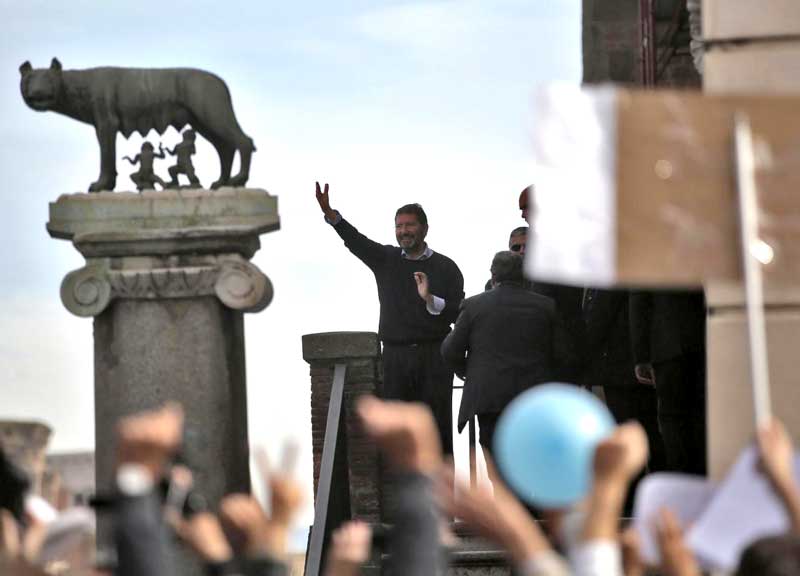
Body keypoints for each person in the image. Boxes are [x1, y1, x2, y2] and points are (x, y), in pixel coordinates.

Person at [315, 182, 464, 456]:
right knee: (396, 436)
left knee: (436, 434)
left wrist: (430, 299)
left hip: (434, 357)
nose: (403, 231)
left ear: (425, 229)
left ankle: (441, 498)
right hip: (395, 358)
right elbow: (357, 241)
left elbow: (458, 311)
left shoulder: (446, 267)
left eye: (409, 225)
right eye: (399, 226)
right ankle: (401, 498)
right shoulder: (387, 259)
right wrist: (332, 215)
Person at [442, 251, 567, 467]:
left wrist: (467, 371)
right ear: (524, 277)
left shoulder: (473, 306)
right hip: (533, 401)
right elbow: (562, 354)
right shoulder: (546, 306)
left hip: (490, 400)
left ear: (493, 276)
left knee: (499, 471)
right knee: (532, 467)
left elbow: (450, 350)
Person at [582, 288, 665, 482]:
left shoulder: (608, 280)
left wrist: (583, 355)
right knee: (650, 429)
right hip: (641, 365)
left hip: (619, 368)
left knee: (625, 431)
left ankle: (631, 491)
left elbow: (598, 320)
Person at [629, 289, 707, 474]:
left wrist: (641, 356)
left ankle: (679, 476)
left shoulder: (648, 258)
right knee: (700, 414)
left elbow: (639, 299)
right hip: (701, 338)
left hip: (666, 344)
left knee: (672, 419)